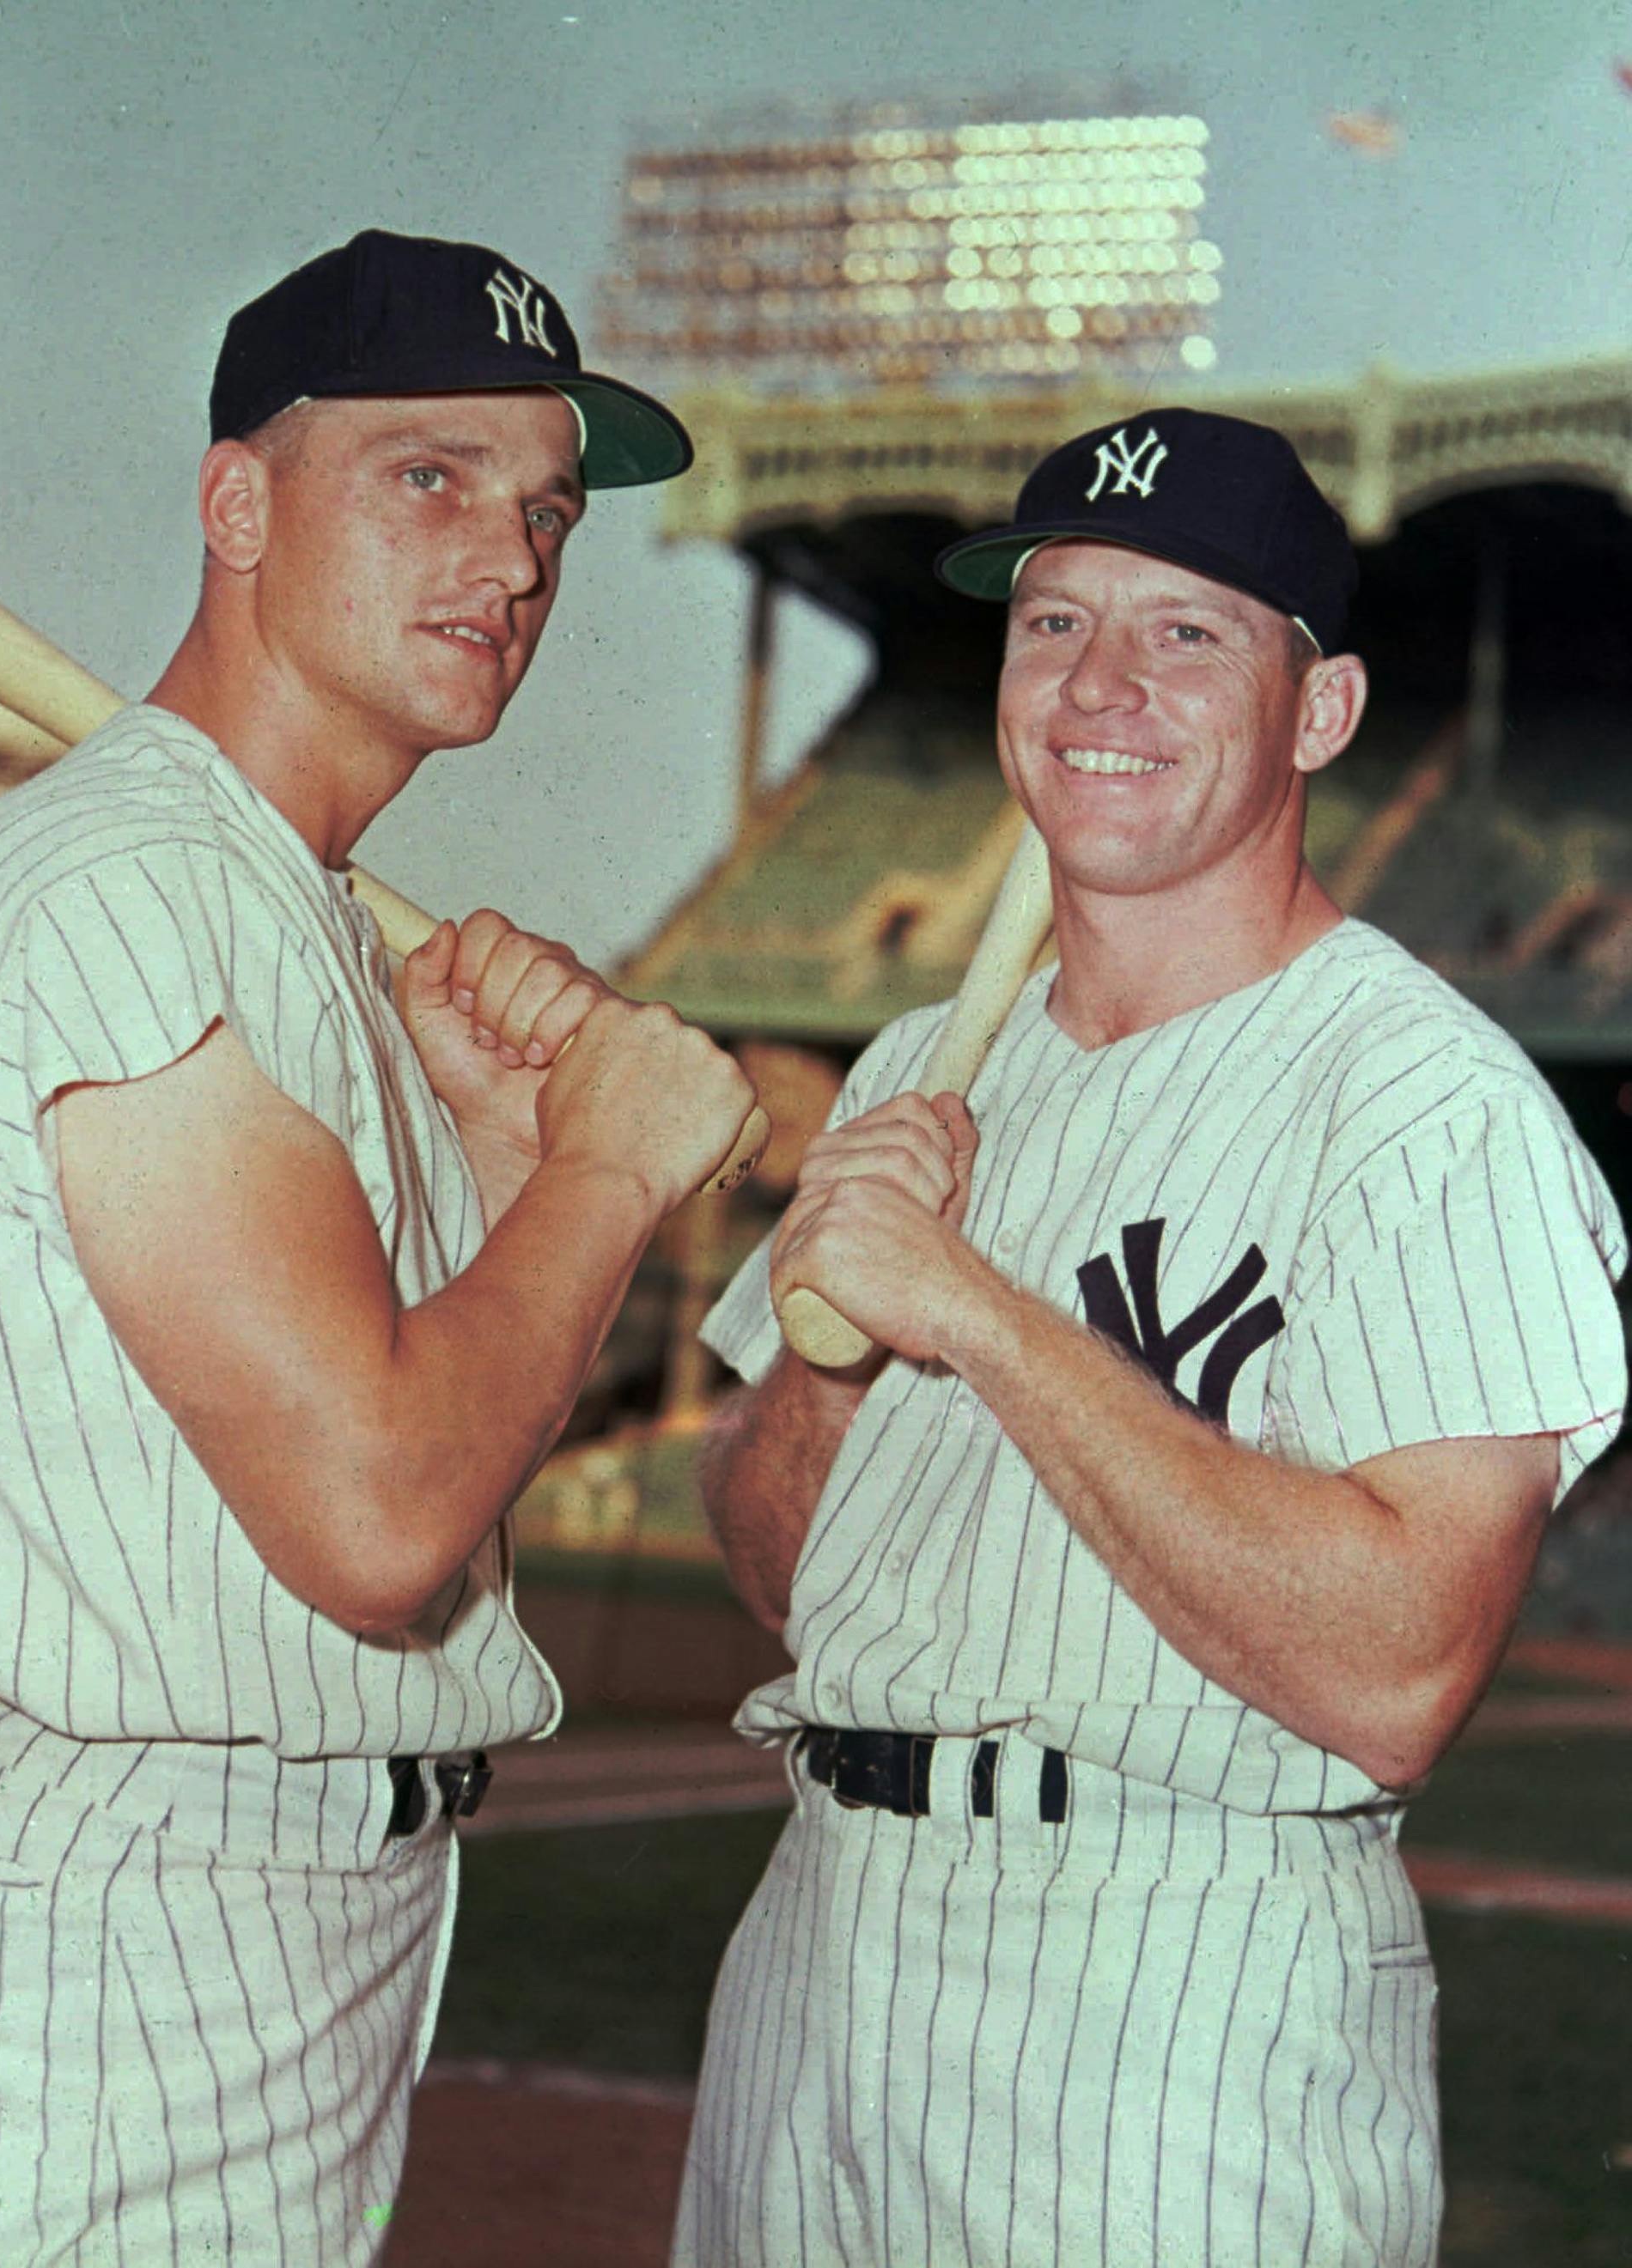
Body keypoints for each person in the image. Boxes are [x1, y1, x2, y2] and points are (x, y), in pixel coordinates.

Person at [0, 228, 754, 2265]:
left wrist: (497, 1166)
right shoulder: (133, 883)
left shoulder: (268, 900)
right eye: (429, 476)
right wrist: (608, 1170)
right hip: (116, 1925)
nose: (511, 558)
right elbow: (377, 1510)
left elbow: (399, 1411)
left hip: (264, 1906)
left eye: (546, 510)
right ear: (237, 504)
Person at [673, 408, 1627, 2268]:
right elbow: (786, 1576)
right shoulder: (921, 1066)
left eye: (1186, 631)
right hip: (819, 1938)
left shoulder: (1425, 1105)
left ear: (1322, 711)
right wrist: (835, 1356)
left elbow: (1399, 1669)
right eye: (1054, 623)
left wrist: (977, 1313)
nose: (1100, 683)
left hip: (1171, 1980)